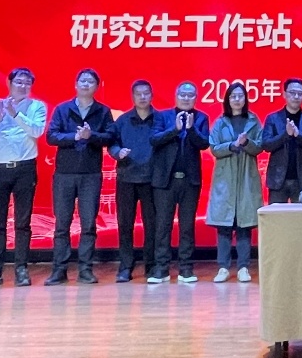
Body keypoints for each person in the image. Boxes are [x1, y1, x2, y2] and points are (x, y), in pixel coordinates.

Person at [0, 67, 47, 288]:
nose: (23, 86)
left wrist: (15, 114)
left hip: (24, 169)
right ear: (9, 83)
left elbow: (37, 131)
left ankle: (21, 269)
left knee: (23, 223)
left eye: (27, 83)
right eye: (19, 82)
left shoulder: (37, 107)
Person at [45, 68, 115, 285]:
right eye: (82, 80)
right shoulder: (62, 109)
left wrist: (90, 135)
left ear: (97, 86)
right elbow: (51, 136)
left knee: (88, 225)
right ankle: (59, 270)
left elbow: (110, 137)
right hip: (64, 174)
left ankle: (85, 269)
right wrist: (74, 137)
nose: (86, 84)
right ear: (75, 85)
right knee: (62, 225)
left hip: (90, 174)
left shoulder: (103, 111)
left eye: (90, 81)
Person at [148, 81, 211, 284]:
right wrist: (175, 130)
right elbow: (154, 139)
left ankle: (186, 268)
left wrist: (191, 129)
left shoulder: (201, 118)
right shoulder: (162, 116)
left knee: (187, 226)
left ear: (196, 98)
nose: (186, 98)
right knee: (162, 225)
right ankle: (161, 268)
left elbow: (204, 143)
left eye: (190, 95)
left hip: (190, 181)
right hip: (165, 181)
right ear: (176, 96)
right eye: (182, 94)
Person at [108, 79, 165, 283]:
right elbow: (112, 143)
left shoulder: (161, 119)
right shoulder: (123, 121)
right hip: (127, 177)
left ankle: (151, 265)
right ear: (132, 97)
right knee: (125, 224)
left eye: (146, 93)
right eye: (138, 94)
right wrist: (117, 152)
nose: (142, 97)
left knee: (152, 225)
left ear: (152, 95)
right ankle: (125, 266)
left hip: (152, 179)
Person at [206, 82, 263, 283]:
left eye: (240, 96)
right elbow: (214, 148)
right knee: (224, 225)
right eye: (233, 96)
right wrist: (232, 145)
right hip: (225, 179)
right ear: (227, 99)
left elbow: (260, 147)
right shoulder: (220, 122)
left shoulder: (253, 121)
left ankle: (243, 267)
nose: (237, 99)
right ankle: (223, 267)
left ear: (245, 99)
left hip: (246, 178)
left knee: (243, 225)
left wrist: (246, 143)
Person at [262, 77, 302, 203]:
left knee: (301, 215)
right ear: (284, 94)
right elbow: (266, 145)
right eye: (292, 93)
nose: (296, 96)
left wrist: (298, 135)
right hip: (277, 179)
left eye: (300, 93)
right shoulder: (273, 118)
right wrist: (286, 134)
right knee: (275, 214)